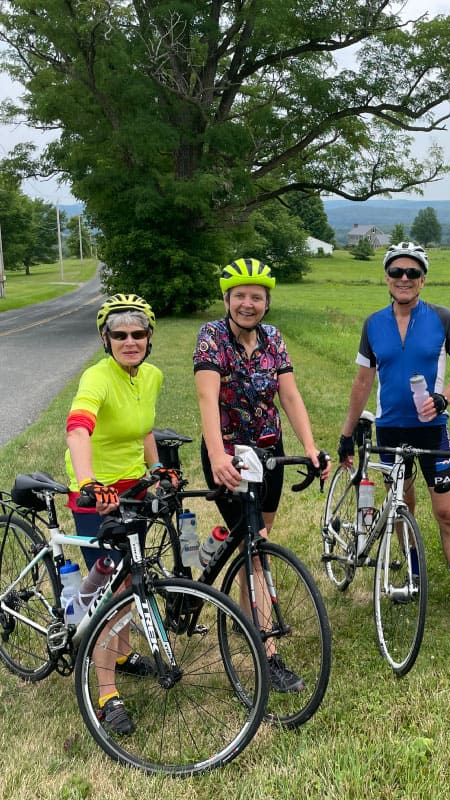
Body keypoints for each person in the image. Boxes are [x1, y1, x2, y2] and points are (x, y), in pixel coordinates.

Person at [337, 242, 450, 637]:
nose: (404, 279)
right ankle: (415, 577)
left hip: (432, 431)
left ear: (423, 279)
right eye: (397, 272)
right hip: (390, 430)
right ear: (387, 277)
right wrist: (347, 433)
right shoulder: (373, 325)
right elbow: (363, 381)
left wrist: (443, 397)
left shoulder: (442, 318)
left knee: (449, 513)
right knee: (402, 504)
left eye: (412, 273)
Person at [193, 257, 329, 690]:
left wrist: (309, 448)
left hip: (268, 454)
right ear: (227, 300)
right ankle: (267, 652)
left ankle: (243, 610)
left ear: (267, 303)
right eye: (240, 296)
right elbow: (207, 398)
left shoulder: (274, 340)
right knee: (255, 550)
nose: (247, 304)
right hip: (230, 456)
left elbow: (289, 396)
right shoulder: (212, 337)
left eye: (256, 297)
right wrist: (217, 455)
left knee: (258, 543)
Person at [65, 293, 172, 735]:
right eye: (120, 335)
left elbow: (144, 427)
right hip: (97, 494)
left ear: (149, 337)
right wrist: (90, 483)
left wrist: (156, 470)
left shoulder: (151, 376)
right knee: (111, 591)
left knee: (131, 578)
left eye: (138, 334)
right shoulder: (97, 377)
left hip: (132, 489)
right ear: (105, 339)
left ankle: (123, 654)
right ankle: (106, 693)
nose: (130, 341)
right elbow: (78, 429)